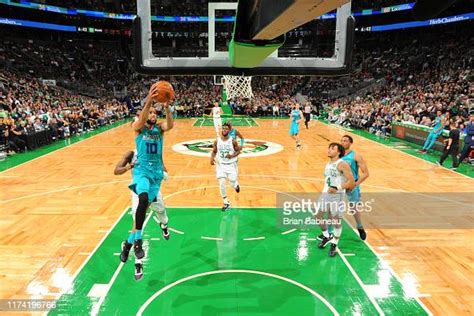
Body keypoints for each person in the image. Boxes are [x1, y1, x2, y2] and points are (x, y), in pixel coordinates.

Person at [126, 83, 173, 262]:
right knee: (142, 202)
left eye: (155, 112)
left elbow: (170, 124)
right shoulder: (138, 127)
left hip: (156, 173)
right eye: (150, 113)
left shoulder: (160, 129)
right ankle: (136, 240)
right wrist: (149, 101)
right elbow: (140, 119)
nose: (153, 114)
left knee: (159, 209)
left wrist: (167, 108)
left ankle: (163, 225)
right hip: (142, 172)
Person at [115, 150, 170, 280]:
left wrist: (162, 173)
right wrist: (130, 166)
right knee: (138, 225)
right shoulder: (131, 154)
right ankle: (138, 263)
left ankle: (163, 225)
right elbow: (116, 170)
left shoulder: (154, 151)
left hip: (154, 191)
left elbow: (165, 171)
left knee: (163, 216)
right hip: (139, 192)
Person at [315, 143, 355, 257]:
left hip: (337, 196)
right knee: (318, 216)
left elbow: (351, 182)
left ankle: (334, 244)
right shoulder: (328, 164)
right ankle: (327, 236)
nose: (329, 150)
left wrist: (338, 188)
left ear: (338, 152)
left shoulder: (342, 164)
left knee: (335, 221)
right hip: (325, 194)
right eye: (329, 148)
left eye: (332, 148)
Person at [341, 135, 369, 240]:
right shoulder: (338, 155)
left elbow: (366, 173)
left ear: (350, 143)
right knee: (332, 207)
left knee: (354, 208)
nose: (343, 142)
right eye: (342, 141)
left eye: (345, 141)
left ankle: (360, 226)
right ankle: (329, 232)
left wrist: (355, 184)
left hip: (352, 185)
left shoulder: (356, 156)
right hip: (339, 184)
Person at [210, 122, 241, 212]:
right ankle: (226, 202)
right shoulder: (217, 140)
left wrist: (231, 156)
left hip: (231, 165)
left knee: (232, 182)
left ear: (229, 130)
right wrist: (211, 158)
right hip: (221, 165)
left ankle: (235, 185)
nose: (224, 130)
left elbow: (238, 151)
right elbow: (214, 151)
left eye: (226, 129)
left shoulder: (232, 141)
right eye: (223, 128)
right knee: (221, 183)